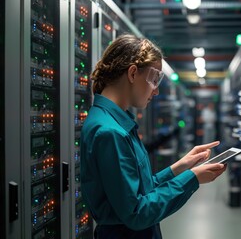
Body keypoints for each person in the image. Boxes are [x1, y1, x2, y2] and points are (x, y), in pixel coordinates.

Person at [80, 33, 227, 239]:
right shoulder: (110, 132)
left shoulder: (113, 122)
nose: (156, 91)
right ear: (132, 74)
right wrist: (192, 178)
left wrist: (182, 166)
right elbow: (137, 212)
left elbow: (141, 189)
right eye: (154, 79)